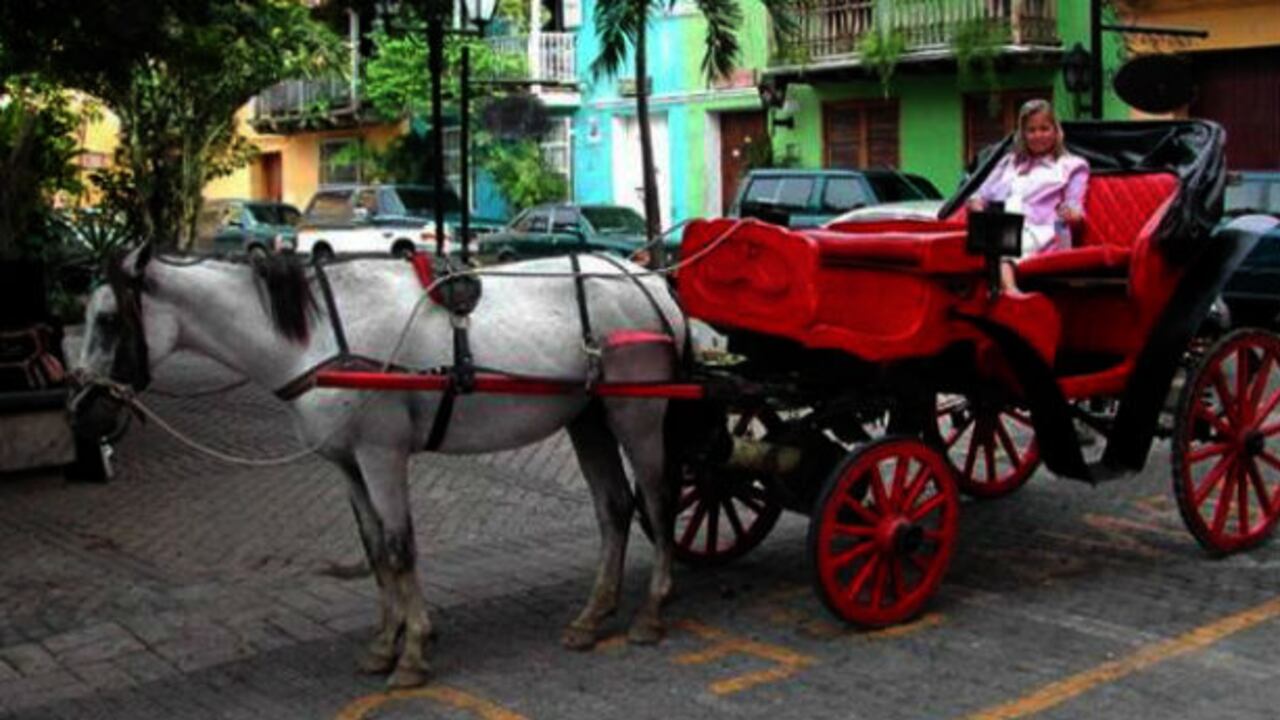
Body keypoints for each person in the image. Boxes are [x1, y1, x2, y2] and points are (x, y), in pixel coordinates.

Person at [968, 99, 1089, 291]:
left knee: (1001, 247)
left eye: (1044, 128)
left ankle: (1011, 294)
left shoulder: (1072, 165)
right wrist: (976, 205)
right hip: (1001, 225)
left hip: (1043, 230)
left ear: (1056, 131)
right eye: (1031, 130)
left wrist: (1072, 214)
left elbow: (1075, 206)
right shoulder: (1009, 162)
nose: (1037, 135)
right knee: (978, 244)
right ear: (1022, 134)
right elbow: (980, 195)